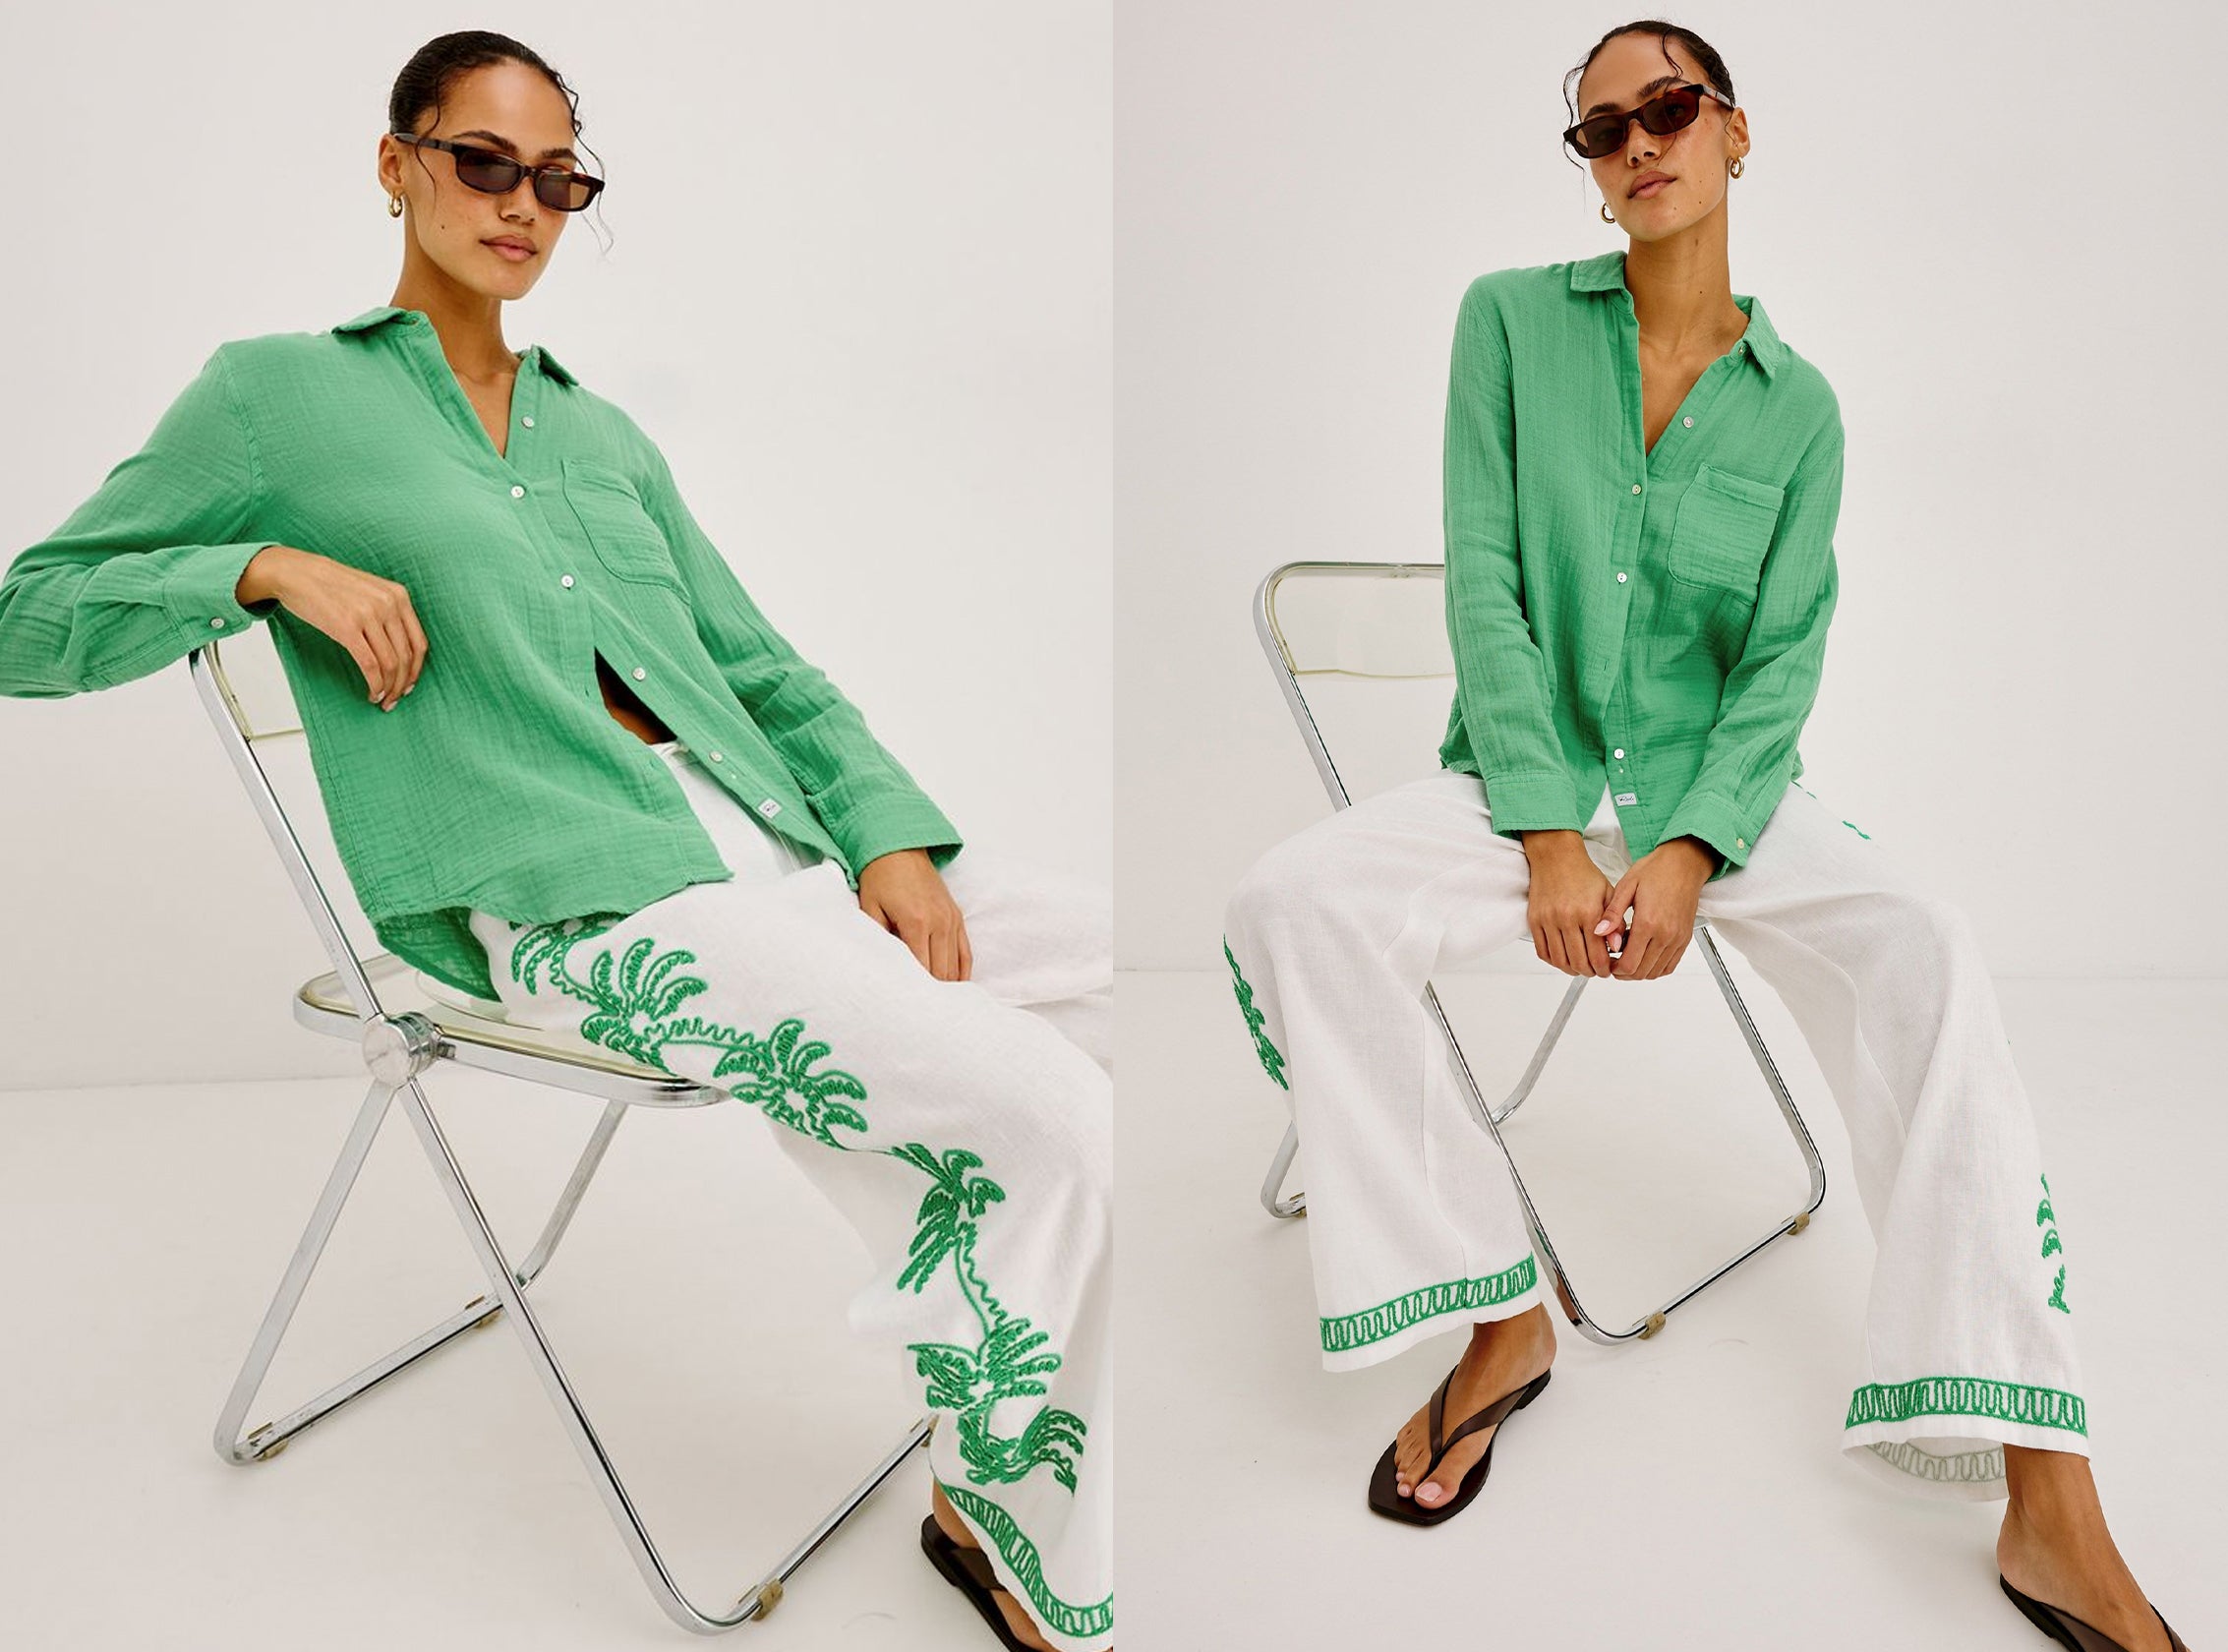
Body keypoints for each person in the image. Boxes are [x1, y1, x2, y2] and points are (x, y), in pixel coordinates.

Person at [0, 30, 1110, 1652]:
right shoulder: (274, 397)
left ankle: (982, 1385)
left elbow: (759, 669)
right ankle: (1007, 1512)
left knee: (1121, 995)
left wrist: (885, 838)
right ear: (396, 163)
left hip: (780, 850)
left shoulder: (600, 437)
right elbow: (27, 616)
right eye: (485, 162)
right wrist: (257, 570)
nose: (527, 202)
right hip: (585, 907)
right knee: (1048, 1105)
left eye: (561, 178)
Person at [1218, 22, 2185, 1652]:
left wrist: (1685, 852)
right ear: (1587, 172)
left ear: (1735, 133)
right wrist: (1543, 834)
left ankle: (2048, 1493)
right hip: (1519, 785)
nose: (1635, 143)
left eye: (1665, 109)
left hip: (1713, 804)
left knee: (1929, 945)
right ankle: (1496, 1312)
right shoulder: (1508, 324)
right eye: (1598, 132)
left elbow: (1782, 663)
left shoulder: (1797, 409)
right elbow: (1486, 582)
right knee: (1285, 897)